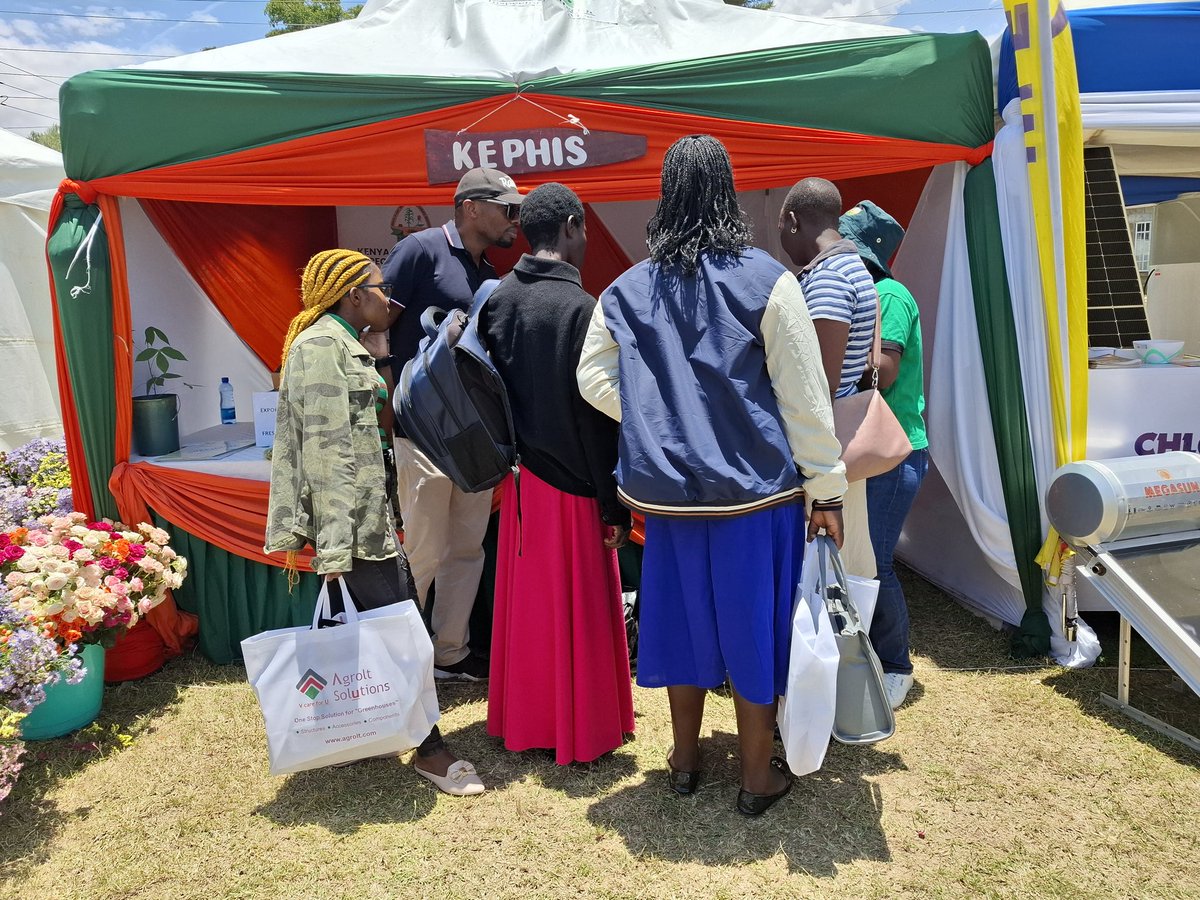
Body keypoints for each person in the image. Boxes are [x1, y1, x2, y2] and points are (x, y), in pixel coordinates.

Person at [577, 135, 847, 815]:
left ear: (666, 199)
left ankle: (685, 758)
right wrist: (828, 488)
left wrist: (653, 418)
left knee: (683, 624)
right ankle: (756, 777)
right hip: (756, 498)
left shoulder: (625, 288)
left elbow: (591, 377)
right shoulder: (769, 280)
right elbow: (805, 398)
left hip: (669, 502)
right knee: (756, 628)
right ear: (727, 194)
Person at [265, 249, 485, 797]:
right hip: (356, 528)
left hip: (370, 520)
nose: (392, 299)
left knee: (391, 629)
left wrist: (380, 353)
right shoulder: (320, 348)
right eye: (381, 288)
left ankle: (373, 730)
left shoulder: (344, 343)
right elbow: (327, 455)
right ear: (352, 295)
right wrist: (337, 551)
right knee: (405, 632)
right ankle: (431, 750)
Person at [478, 182, 635, 764]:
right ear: (570, 225)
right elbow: (596, 420)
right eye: (586, 228)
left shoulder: (497, 299)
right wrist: (613, 504)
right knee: (579, 616)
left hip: (519, 484)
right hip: (572, 489)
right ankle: (581, 726)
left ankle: (527, 718)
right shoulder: (581, 308)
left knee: (530, 614)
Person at [379, 167, 524, 681]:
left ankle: (449, 653)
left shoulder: (493, 274)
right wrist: (391, 400)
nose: (516, 218)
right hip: (422, 434)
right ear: (470, 207)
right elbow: (375, 327)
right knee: (422, 548)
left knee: (466, 547)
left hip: (475, 440)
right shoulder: (419, 251)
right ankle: (396, 665)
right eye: (508, 207)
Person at [839, 201, 929, 710]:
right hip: (872, 454)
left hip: (894, 454)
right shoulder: (869, 293)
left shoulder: (889, 294)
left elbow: (884, 371)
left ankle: (897, 666)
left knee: (877, 562)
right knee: (862, 557)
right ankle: (871, 654)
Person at [778, 176, 879, 580]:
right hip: (844, 440)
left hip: (827, 446)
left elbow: (819, 382)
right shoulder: (851, 266)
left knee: (830, 576)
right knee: (846, 568)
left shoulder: (829, 278)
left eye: (782, 228)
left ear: (793, 220)